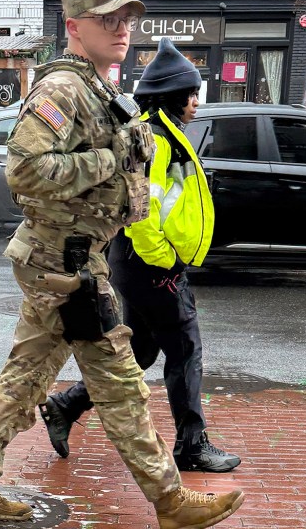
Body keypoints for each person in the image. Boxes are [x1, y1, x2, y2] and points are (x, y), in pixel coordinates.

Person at [0, 0, 244, 529]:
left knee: (27, 376)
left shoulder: (96, 89)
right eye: (109, 18)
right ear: (74, 26)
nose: (122, 28)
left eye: (126, 17)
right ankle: (170, 501)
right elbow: (25, 171)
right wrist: (110, 157)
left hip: (73, 259)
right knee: (120, 380)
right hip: (66, 265)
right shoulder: (63, 89)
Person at [38, 38, 241, 474]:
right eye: (192, 96)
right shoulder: (158, 141)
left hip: (142, 263)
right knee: (186, 350)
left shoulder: (164, 134)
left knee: (144, 352)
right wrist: (165, 261)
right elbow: (141, 212)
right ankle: (192, 444)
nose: (196, 105)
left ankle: (64, 406)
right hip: (152, 265)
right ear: (174, 97)